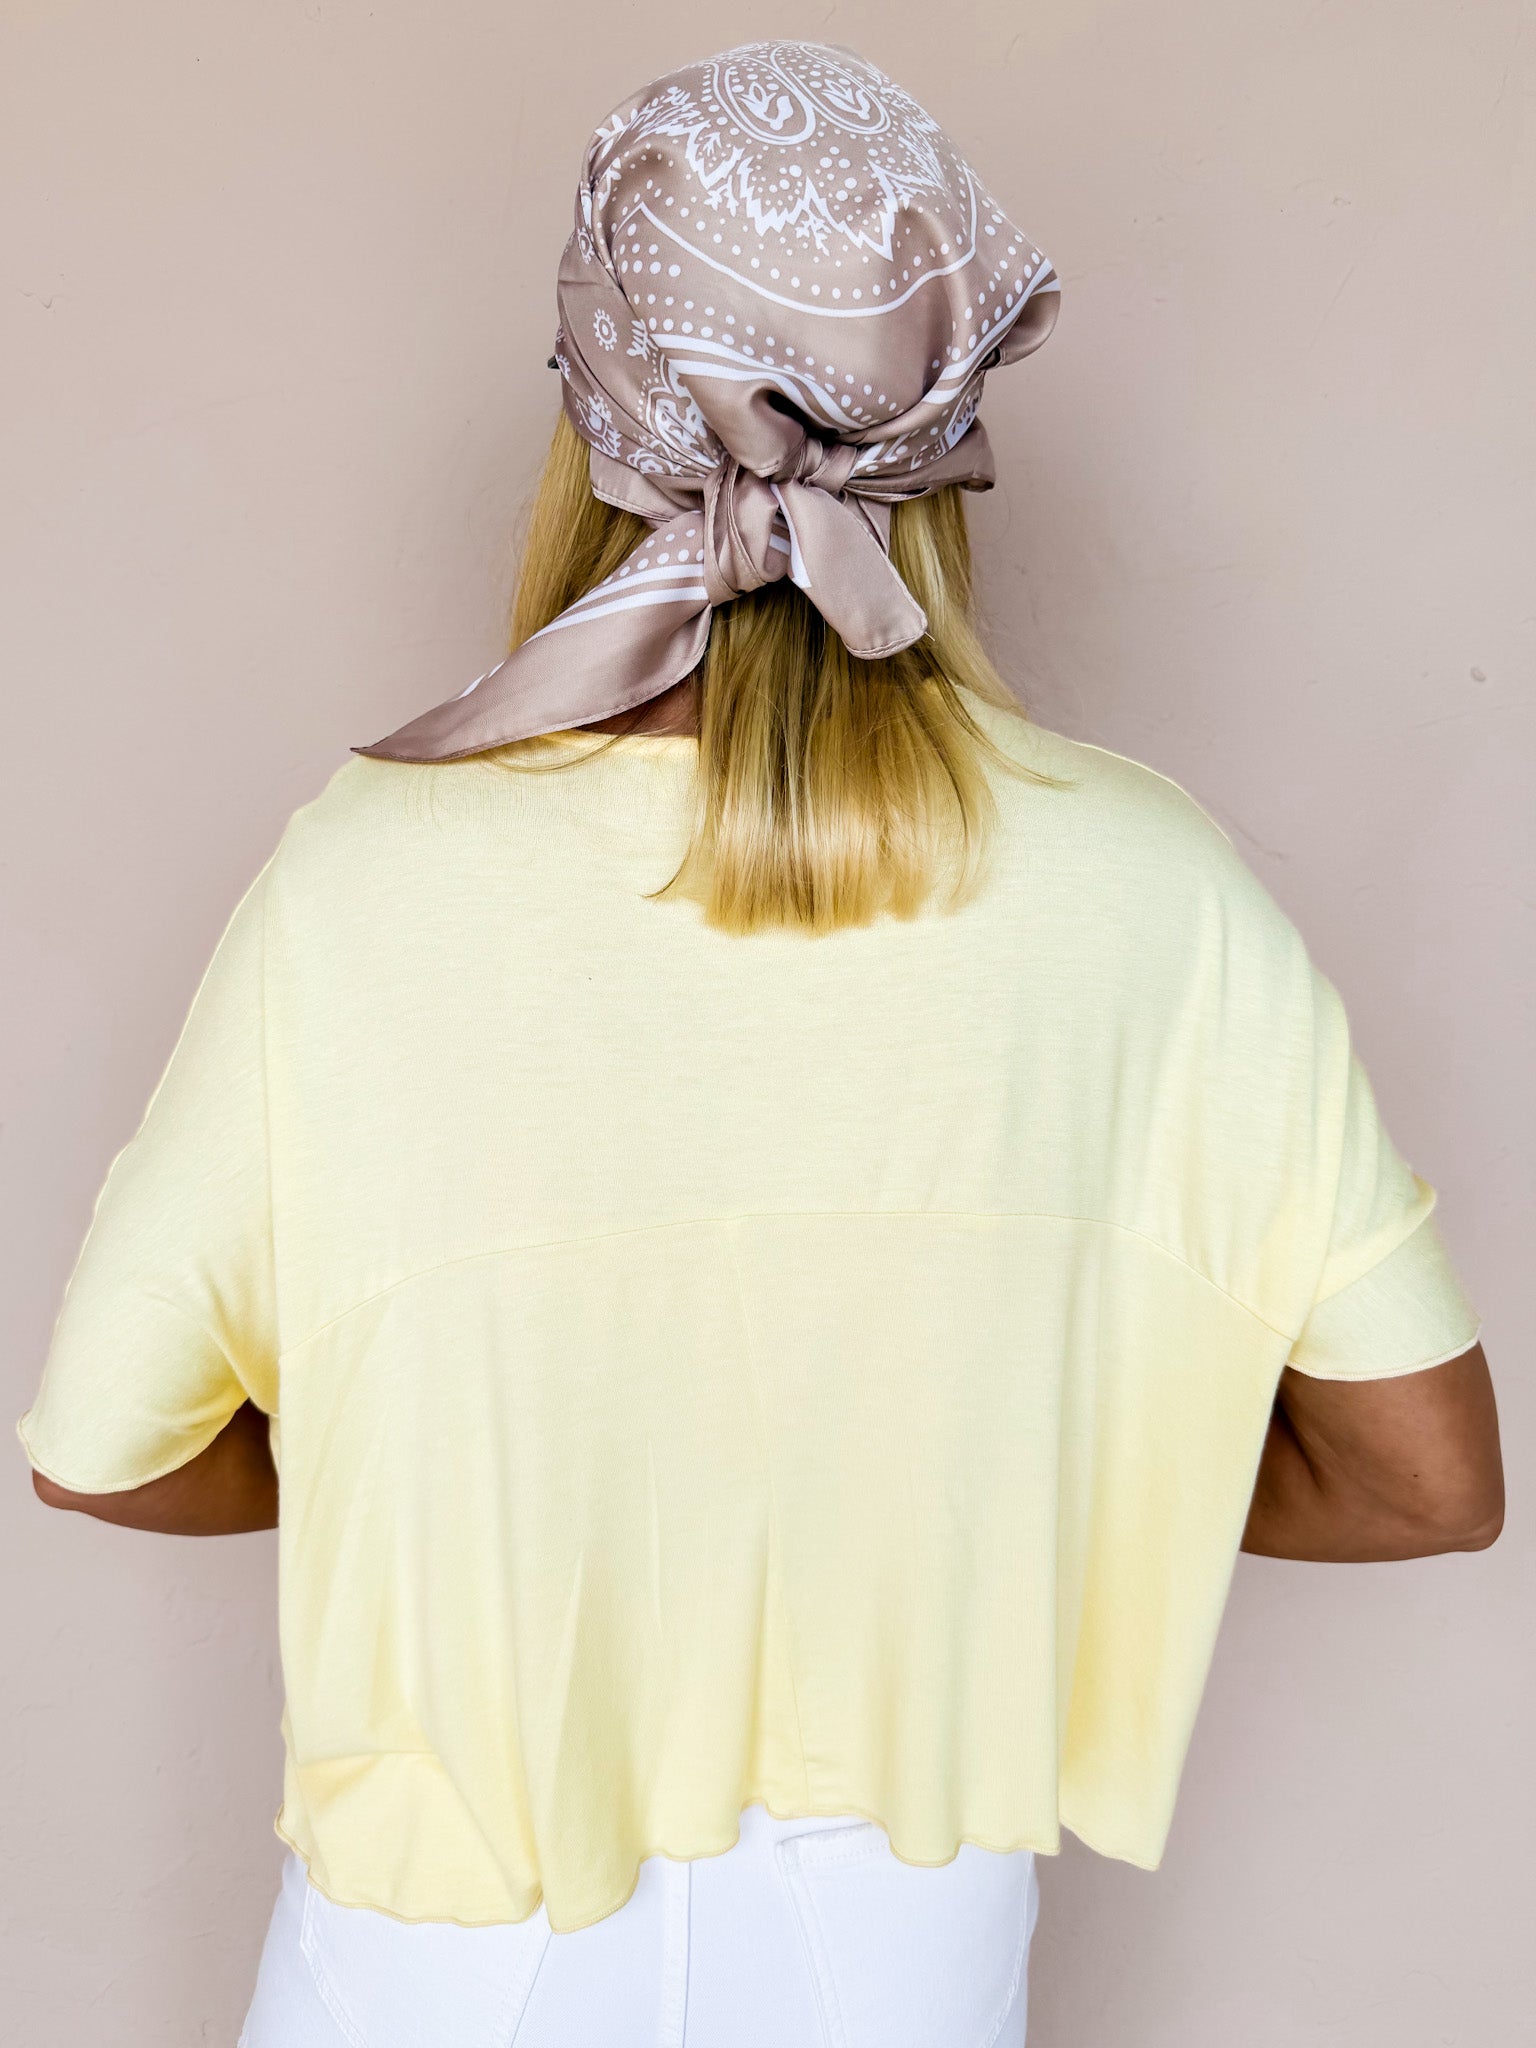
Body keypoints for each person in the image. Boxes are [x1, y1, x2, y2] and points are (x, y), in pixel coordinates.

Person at [19, 39, 1502, 2048]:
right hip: (903, 1962)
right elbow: (1425, 1482)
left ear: (595, 416)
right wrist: (1016, 1441)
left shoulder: (363, 880)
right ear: (942, 427)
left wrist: (449, 1441)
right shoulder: (1163, 893)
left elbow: (107, 1448)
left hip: (437, 1956)